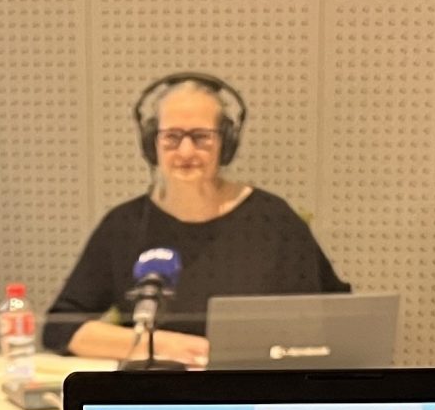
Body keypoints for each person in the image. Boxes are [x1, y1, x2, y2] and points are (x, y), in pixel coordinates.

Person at [43, 72, 349, 365]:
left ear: (226, 143)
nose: (186, 150)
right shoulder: (124, 225)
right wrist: (163, 345)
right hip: (157, 391)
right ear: (151, 143)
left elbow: (339, 321)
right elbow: (60, 329)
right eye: (172, 137)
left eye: (201, 137)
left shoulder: (274, 221)